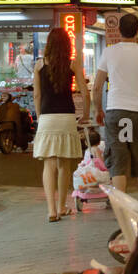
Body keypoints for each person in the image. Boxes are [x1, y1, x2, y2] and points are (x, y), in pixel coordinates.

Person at [92, 14, 138, 193]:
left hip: (116, 111)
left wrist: (98, 110)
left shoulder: (109, 52)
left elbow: (97, 87)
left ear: (118, 30)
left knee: (117, 161)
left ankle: (120, 207)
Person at [34, 27, 91, 221]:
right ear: (67, 46)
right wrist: (86, 114)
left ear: (48, 45)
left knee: (49, 164)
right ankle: (61, 206)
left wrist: (40, 115)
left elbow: (37, 95)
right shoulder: (72, 65)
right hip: (66, 117)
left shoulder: (39, 65)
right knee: (64, 164)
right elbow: (84, 91)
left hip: (47, 118)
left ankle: (51, 210)